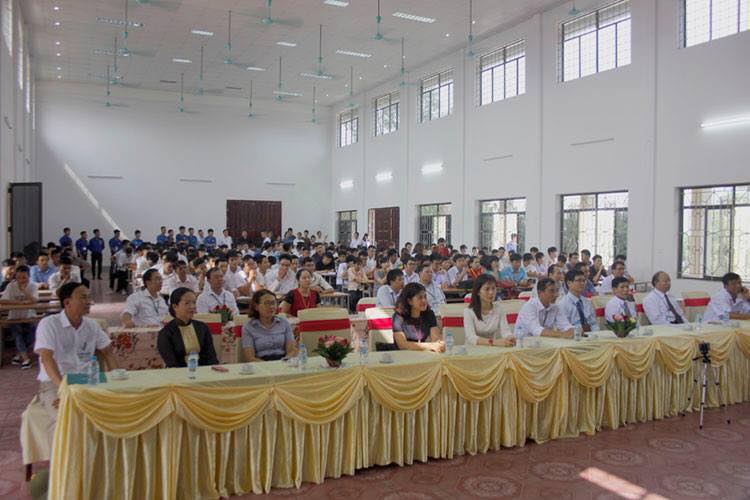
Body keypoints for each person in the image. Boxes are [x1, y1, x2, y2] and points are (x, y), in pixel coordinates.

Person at [33, 282, 117, 447]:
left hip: (87, 379)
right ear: (67, 302)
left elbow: (107, 353)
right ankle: (62, 461)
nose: (88, 301)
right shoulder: (49, 324)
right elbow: (47, 358)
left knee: (112, 412)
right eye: (83, 297)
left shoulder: (91, 325)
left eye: (89, 297)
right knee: (65, 418)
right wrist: (62, 389)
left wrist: (116, 379)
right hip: (56, 382)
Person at [157, 287, 219, 368]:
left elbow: (211, 357)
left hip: (204, 371)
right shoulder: (166, 333)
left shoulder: (202, 327)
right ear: (175, 306)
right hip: (178, 373)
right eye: (187, 303)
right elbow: (172, 363)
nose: (192, 306)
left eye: (194, 302)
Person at [242, 290, 297, 362]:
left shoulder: (284, 323)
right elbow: (250, 357)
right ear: (256, 307)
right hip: (260, 363)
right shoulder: (248, 327)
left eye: (273, 303)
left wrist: (284, 361)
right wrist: (268, 366)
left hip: (283, 361)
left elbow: (292, 351)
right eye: (267, 303)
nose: (271, 307)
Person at [1, 266, 39, 369]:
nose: (21, 280)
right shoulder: (11, 286)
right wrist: (19, 302)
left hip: (30, 316)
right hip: (14, 317)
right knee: (17, 334)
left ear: (29, 277)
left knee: (33, 334)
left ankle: (19, 354)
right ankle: (26, 359)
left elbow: (35, 300)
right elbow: (3, 300)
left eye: (24, 278)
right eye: (19, 278)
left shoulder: (33, 286)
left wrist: (24, 291)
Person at [389, 283, 445, 352]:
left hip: (422, 353)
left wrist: (438, 344)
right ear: (409, 301)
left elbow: (435, 339)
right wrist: (430, 346)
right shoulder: (398, 317)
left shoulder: (429, 314)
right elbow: (402, 345)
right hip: (402, 354)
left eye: (425, 297)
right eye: (420, 298)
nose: (424, 300)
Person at [464, 274, 515, 346]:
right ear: (478, 292)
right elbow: (471, 338)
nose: (491, 292)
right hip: (473, 349)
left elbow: (505, 332)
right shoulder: (468, 311)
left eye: (493, 288)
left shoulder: (499, 308)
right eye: (487, 289)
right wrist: (494, 342)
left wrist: (510, 337)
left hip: (492, 348)